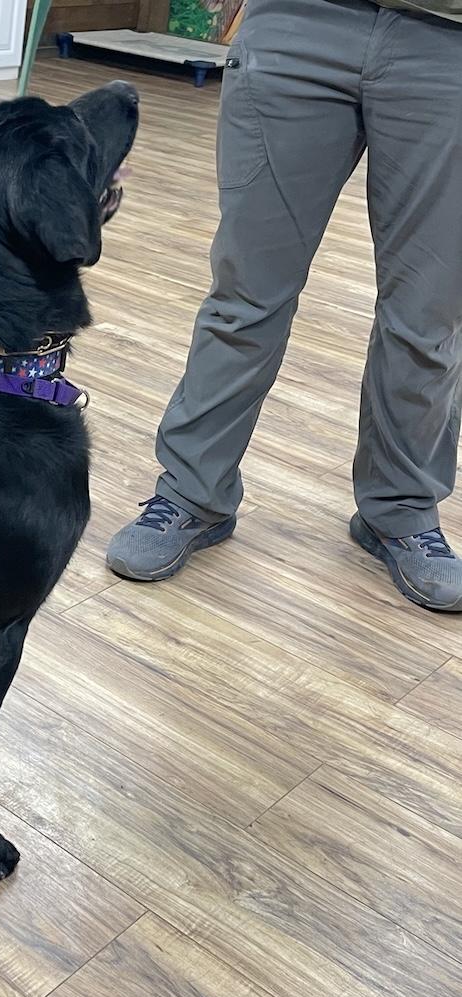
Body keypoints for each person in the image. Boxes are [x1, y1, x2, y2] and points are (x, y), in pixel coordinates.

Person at [107, 0, 462, 610]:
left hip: (448, 43)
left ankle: (401, 509)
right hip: (299, 24)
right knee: (246, 295)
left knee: (426, 315)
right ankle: (193, 492)